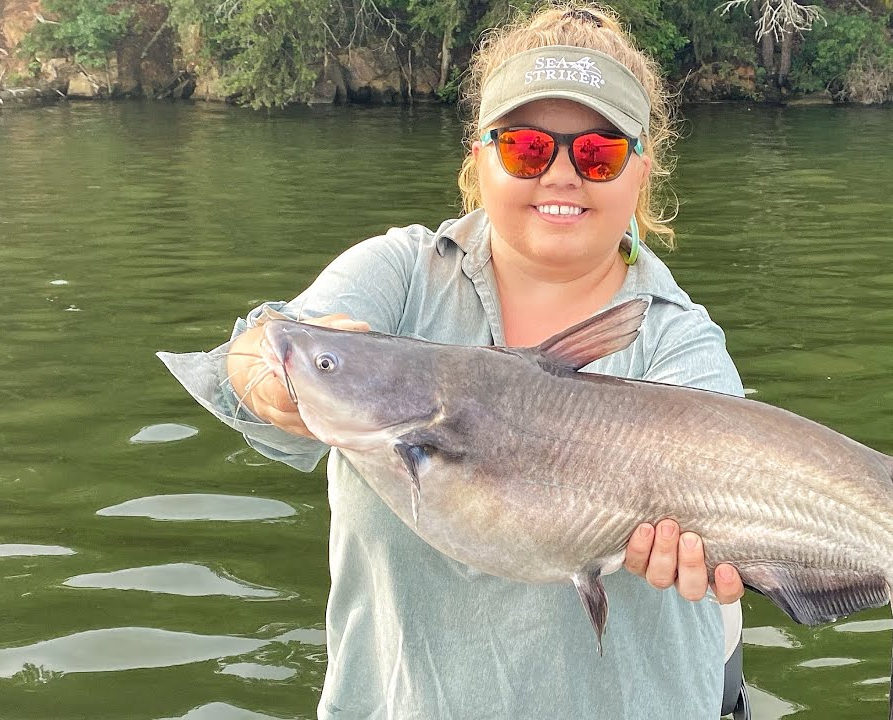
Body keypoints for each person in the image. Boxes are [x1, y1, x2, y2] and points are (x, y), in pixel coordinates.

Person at [161, 3, 751, 718]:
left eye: (597, 152)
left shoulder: (679, 342)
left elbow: (744, 492)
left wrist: (713, 550)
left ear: (640, 173)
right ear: (480, 158)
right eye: (529, 149)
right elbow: (269, 343)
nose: (562, 175)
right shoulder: (401, 274)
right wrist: (264, 372)